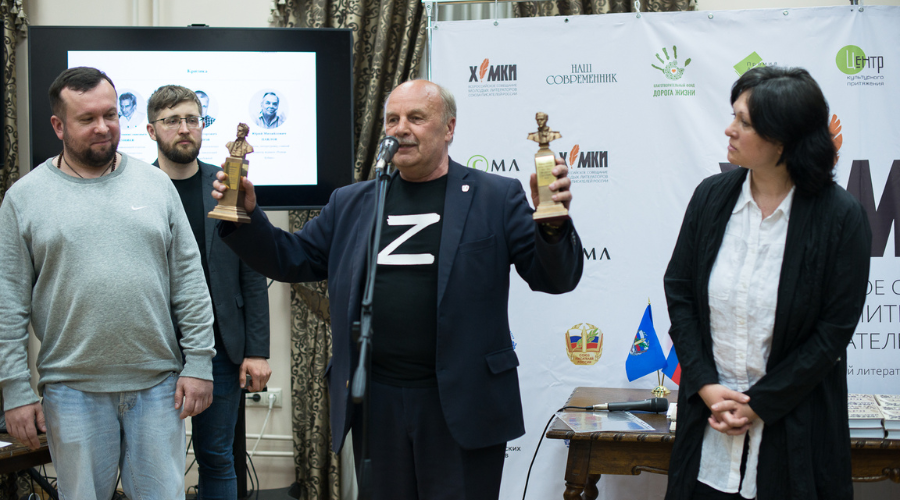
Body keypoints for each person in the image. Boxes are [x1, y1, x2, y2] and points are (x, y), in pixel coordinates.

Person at [213, 79, 584, 500]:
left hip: (462, 402)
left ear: (449, 128)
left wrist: (552, 226)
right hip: (376, 403)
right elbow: (291, 258)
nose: (400, 128)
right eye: (392, 119)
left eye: (416, 118)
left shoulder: (495, 196)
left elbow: (554, 278)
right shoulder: (353, 202)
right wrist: (247, 216)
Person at [0, 67, 216, 499]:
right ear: (58, 125)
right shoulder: (24, 198)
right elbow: (8, 305)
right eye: (87, 118)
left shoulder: (156, 185)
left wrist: (199, 363)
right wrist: (16, 391)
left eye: (110, 115)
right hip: (71, 391)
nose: (103, 127)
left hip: (158, 386)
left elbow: (189, 282)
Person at [663, 66, 872, 500]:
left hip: (794, 431)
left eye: (744, 122)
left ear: (783, 141)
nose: (730, 129)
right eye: (733, 116)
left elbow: (833, 332)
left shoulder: (841, 217)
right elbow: (680, 293)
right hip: (708, 425)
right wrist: (705, 386)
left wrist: (758, 404)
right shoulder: (710, 197)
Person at [146, 85, 271, 499]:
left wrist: (257, 351)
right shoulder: (137, 187)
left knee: (218, 456)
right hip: (154, 349)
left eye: (192, 119)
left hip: (220, 347)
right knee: (152, 459)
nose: (185, 129)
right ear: (152, 131)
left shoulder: (227, 184)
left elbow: (253, 271)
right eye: (172, 120)